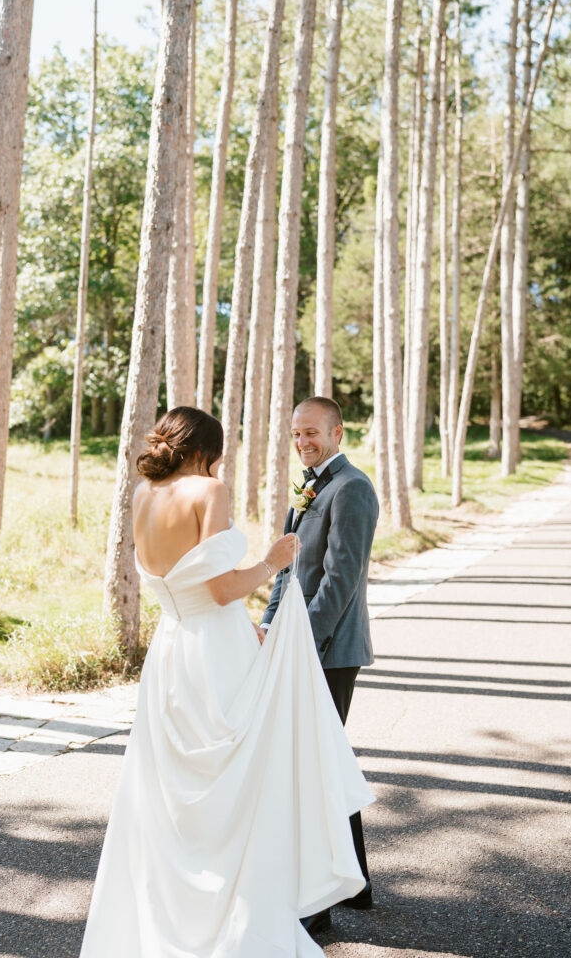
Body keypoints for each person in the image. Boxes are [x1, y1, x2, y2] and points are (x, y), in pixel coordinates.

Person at [80, 406, 374, 958]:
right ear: (206, 449)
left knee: (171, 794)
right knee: (241, 784)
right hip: (215, 653)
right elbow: (218, 590)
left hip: (170, 653)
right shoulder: (209, 492)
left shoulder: (142, 494)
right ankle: (238, 915)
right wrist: (270, 562)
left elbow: (179, 586)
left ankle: (166, 918)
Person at [260, 396, 379, 937]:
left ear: (338, 433)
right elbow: (290, 569)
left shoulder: (352, 488)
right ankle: (355, 885)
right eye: (296, 433)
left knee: (315, 765)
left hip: (328, 649)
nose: (303, 441)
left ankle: (319, 903)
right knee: (327, 761)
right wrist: (268, 625)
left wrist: (302, 641)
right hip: (297, 641)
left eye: (312, 432)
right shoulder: (310, 486)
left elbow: (340, 578)